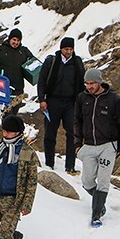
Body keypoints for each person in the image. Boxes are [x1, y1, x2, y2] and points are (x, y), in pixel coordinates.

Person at [74, 69, 120, 228]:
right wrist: (77, 145)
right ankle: (100, 204)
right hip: (88, 145)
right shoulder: (82, 98)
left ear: (99, 82)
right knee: (87, 181)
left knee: (103, 181)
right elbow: (77, 122)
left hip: (108, 146)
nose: (89, 87)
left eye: (92, 83)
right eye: (87, 83)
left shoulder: (113, 99)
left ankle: (96, 216)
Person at [37, 36, 85, 174]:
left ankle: (70, 165)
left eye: (70, 49)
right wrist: (42, 99)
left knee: (72, 134)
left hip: (71, 102)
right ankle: (49, 163)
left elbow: (81, 82)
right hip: (52, 101)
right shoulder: (51, 61)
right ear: (61, 49)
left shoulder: (77, 62)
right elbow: (42, 81)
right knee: (50, 133)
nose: (68, 52)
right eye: (66, 49)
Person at [0, 28, 36, 113]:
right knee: (6, 113)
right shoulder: (0, 49)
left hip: (18, 88)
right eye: (14, 39)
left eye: (18, 40)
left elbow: (34, 64)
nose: (16, 43)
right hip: (3, 87)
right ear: (9, 39)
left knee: (14, 113)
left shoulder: (24, 51)